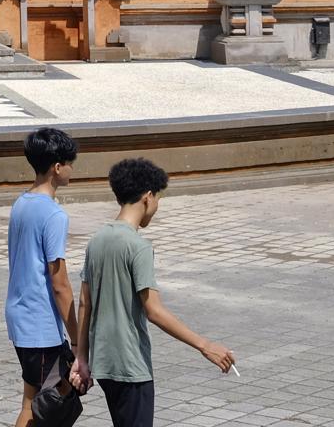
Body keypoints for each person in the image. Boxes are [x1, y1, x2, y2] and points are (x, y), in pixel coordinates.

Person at [73, 158, 236, 427]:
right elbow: (154, 310)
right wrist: (205, 346)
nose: (157, 206)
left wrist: (81, 357)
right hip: (131, 365)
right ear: (148, 197)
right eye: (158, 198)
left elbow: (84, 303)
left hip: (104, 364)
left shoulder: (97, 240)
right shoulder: (138, 247)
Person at [6, 127, 79, 427]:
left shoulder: (21, 203)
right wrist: (77, 339)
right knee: (42, 405)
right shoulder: (53, 214)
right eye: (70, 163)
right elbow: (59, 281)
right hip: (41, 323)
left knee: (34, 398)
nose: (72, 169)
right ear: (57, 167)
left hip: (21, 316)